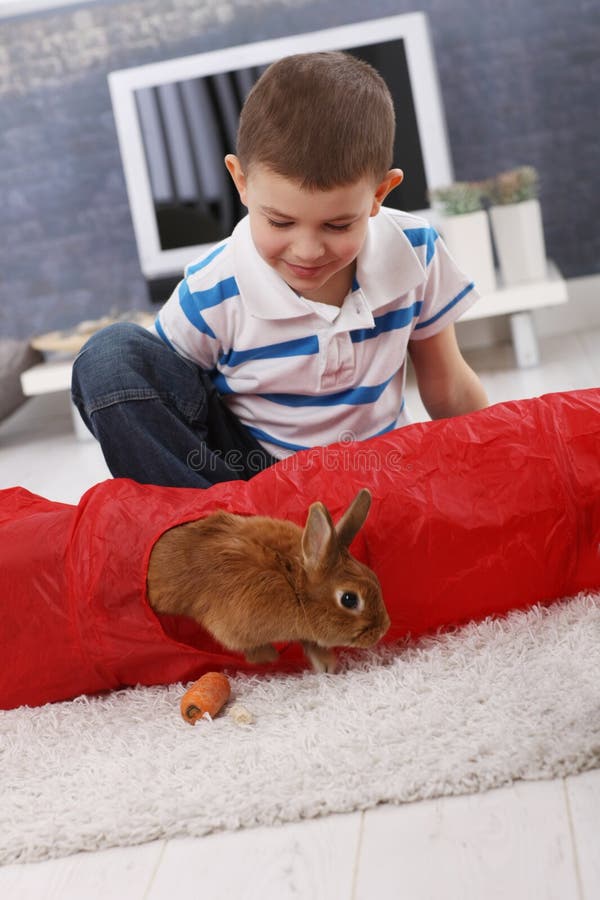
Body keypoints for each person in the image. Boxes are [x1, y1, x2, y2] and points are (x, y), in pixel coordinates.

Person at [72, 51, 488, 489]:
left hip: (376, 472)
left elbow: (449, 387)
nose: (307, 251)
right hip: (251, 481)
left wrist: (493, 463)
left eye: (337, 225)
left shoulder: (415, 250)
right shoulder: (213, 287)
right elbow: (163, 404)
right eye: (280, 222)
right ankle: (219, 525)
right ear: (241, 182)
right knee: (109, 357)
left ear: (379, 194)